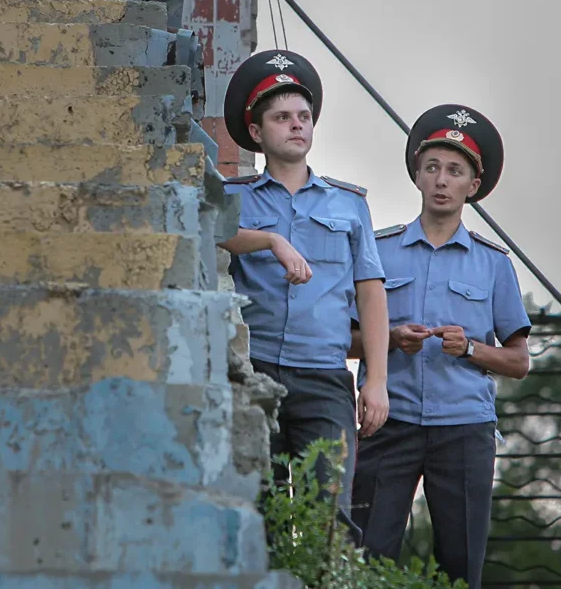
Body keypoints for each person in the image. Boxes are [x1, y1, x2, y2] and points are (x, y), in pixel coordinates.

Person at [348, 103, 532, 587]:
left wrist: (470, 349)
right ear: (417, 175)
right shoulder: (379, 250)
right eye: (432, 168)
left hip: (465, 431)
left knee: (460, 567)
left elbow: (518, 362)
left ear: (473, 185)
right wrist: (387, 340)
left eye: (455, 170)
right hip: (390, 422)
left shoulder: (494, 265)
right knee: (365, 557)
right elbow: (344, 340)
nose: (441, 180)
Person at [218, 49, 391, 531]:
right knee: (256, 514)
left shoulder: (349, 204)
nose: (296, 125)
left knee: (328, 518)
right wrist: (271, 240)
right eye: (281, 118)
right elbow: (211, 234)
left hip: (324, 379)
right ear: (256, 133)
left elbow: (371, 294)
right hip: (254, 373)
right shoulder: (234, 199)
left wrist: (375, 379)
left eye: (303, 116)